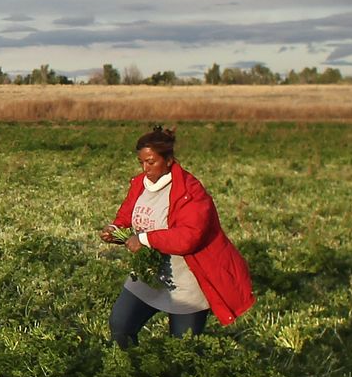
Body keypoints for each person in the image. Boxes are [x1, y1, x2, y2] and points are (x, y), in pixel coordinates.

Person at [99, 124, 254, 347]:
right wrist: (115, 231)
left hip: (187, 282)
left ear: (169, 160)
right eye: (141, 162)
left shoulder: (190, 192)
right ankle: (133, 375)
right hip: (149, 274)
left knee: (183, 350)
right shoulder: (139, 185)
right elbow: (125, 217)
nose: (145, 168)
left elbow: (189, 237)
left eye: (150, 162)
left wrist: (144, 239)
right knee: (120, 326)